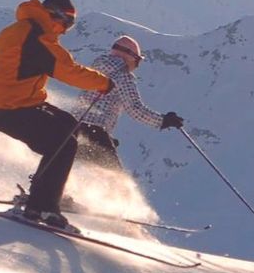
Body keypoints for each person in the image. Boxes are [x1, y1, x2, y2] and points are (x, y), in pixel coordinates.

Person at [0, 0, 112, 228]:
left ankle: (46, 191)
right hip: (14, 110)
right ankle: (42, 206)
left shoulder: (13, 30)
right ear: (53, 15)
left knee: (69, 125)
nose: (65, 31)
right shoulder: (38, 38)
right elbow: (68, 71)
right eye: (66, 24)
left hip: (11, 106)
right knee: (63, 143)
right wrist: (103, 83)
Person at [73, 35, 183, 172]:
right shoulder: (123, 76)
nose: (136, 66)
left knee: (77, 168)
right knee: (114, 177)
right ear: (130, 57)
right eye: (137, 61)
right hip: (96, 132)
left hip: (74, 128)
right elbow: (135, 109)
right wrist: (163, 121)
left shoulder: (96, 67)